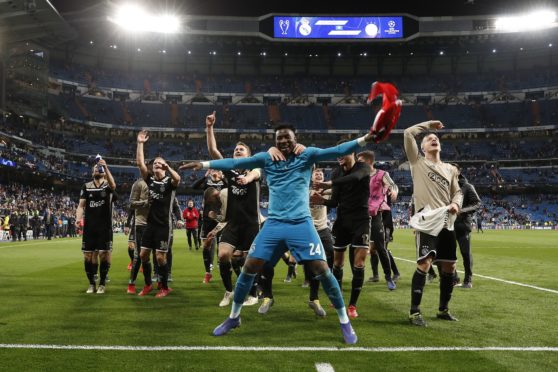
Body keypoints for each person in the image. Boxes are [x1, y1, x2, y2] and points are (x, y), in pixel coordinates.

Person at [180, 124, 375, 344]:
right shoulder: (266, 158)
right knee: (249, 267)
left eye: (287, 138)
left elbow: (337, 151)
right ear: (275, 142)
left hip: (301, 224)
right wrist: (205, 164)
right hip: (274, 224)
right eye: (279, 138)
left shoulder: (307, 154)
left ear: (295, 139)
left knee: (322, 269)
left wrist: (365, 138)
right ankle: (234, 317)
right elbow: (235, 163)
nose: (283, 141)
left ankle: (344, 321)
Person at [404, 120, 463, 326]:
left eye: (436, 138)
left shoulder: (450, 169)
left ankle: (443, 309)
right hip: (427, 220)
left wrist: (456, 203)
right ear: (422, 148)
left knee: (449, 266)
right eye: (429, 139)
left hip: (447, 221)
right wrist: (428, 126)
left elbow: (457, 192)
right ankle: (414, 312)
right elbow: (407, 133)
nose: (433, 139)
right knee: (424, 262)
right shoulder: (417, 163)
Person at [204, 111, 263, 307]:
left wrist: (247, 178)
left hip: (251, 224)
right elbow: (213, 151)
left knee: (249, 261)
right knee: (222, 255)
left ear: (249, 155)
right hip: (233, 223)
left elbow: (255, 173)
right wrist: (210, 127)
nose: (237, 151)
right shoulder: (229, 171)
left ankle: (253, 294)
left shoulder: (255, 169)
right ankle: (228, 291)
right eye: (236, 149)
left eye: (241, 150)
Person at [310, 142, 371, 319]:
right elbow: (335, 202)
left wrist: (328, 185)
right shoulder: (336, 172)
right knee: (337, 263)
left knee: (359, 263)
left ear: (352, 152)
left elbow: (354, 178)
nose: (339, 156)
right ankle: (338, 298)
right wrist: (322, 201)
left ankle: (352, 305)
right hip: (342, 220)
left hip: (361, 220)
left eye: (342, 152)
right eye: (337, 154)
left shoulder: (363, 167)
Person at [136, 130, 181, 297]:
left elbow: (178, 179)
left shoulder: (169, 182)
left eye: (159, 163)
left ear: (164, 166)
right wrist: (140, 143)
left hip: (164, 225)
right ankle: (148, 285)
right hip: (150, 224)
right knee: (143, 255)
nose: (155, 164)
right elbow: (140, 164)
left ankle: (164, 287)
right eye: (154, 163)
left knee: (161, 258)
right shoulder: (150, 180)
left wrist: (169, 167)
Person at [356, 150, 399, 290]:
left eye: (360, 161)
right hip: (361, 215)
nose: (358, 163)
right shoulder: (358, 176)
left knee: (381, 247)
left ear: (369, 161)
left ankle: (388, 277)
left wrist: (394, 192)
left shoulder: (382, 174)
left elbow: (392, 185)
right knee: (357, 247)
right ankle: (358, 278)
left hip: (376, 215)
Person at [75, 158, 116, 294]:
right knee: (88, 256)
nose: (96, 169)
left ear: (104, 172)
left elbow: (114, 186)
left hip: (105, 227)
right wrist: (78, 218)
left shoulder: (107, 186)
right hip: (90, 228)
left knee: (104, 255)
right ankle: (92, 283)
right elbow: (81, 205)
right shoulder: (86, 186)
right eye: (94, 168)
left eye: (99, 168)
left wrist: (106, 167)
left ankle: (102, 283)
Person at [453, 166, 481, 289]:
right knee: (447, 254)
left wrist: (462, 211)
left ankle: (468, 280)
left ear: (459, 172)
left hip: (462, 225)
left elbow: (477, 204)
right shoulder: (447, 187)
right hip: (448, 224)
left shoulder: (468, 187)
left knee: (465, 253)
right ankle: (454, 279)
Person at [126, 177, 152, 295]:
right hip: (141, 224)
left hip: (157, 224)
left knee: (158, 256)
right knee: (138, 255)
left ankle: (157, 284)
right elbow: (131, 204)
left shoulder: (161, 183)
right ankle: (132, 283)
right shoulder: (139, 183)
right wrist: (127, 223)